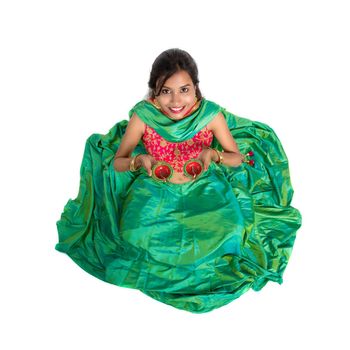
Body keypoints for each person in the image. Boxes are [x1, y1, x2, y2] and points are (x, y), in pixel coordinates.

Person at [55, 48, 302, 313]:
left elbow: (236, 158)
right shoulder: (143, 116)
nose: (176, 101)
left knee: (231, 231)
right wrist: (140, 162)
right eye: (166, 91)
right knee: (131, 235)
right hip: (154, 191)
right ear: (154, 93)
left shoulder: (210, 115)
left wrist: (214, 154)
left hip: (205, 188)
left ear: (196, 89)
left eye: (184, 90)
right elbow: (119, 161)